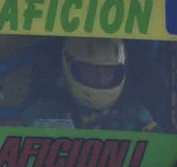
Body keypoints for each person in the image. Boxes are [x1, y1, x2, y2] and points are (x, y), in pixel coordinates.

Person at [23, 37, 157, 132]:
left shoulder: (137, 116)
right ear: (71, 69)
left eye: (108, 70)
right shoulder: (45, 113)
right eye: (91, 70)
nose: (101, 77)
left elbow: (157, 151)